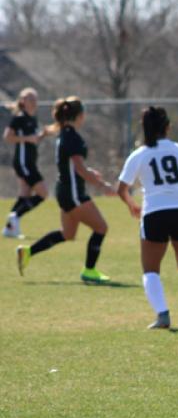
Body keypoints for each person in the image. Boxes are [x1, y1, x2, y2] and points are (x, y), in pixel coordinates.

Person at [118, 106, 178, 329]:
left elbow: (121, 188)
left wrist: (132, 205)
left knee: (151, 270)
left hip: (154, 213)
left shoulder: (139, 155)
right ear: (167, 127)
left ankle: (162, 315)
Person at [16, 97, 116, 283]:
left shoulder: (65, 133)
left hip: (65, 190)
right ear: (79, 115)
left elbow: (73, 166)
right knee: (101, 228)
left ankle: (28, 252)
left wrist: (89, 172)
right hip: (73, 192)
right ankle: (89, 270)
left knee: (68, 234)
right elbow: (78, 168)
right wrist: (102, 186)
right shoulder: (72, 136)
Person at [2, 88, 48, 238]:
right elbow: (8, 137)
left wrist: (43, 135)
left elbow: (33, 140)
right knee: (43, 193)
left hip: (30, 162)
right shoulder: (19, 118)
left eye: (35, 99)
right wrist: (27, 138)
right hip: (23, 163)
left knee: (25, 195)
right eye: (30, 99)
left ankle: (10, 228)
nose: (34, 102)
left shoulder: (32, 119)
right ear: (23, 101)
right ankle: (14, 218)